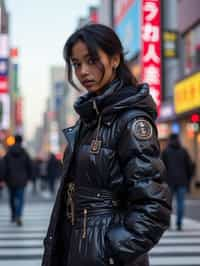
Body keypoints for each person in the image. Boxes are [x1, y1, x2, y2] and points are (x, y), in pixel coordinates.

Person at [42, 24, 171, 266]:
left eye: (92, 60)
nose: (83, 72)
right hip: (78, 244)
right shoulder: (91, 117)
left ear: (114, 60)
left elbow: (154, 205)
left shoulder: (131, 121)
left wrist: (112, 251)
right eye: (77, 64)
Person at [162, 133, 194, 231]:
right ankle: (179, 223)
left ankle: (168, 223)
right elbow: (189, 166)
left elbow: (161, 167)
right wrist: (189, 179)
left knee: (168, 204)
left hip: (169, 181)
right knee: (181, 203)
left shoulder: (166, 151)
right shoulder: (183, 151)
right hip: (182, 181)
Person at [3, 135, 32, 226]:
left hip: (10, 179)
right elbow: (29, 165)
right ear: (21, 141)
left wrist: (2, 178)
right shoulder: (24, 152)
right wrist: (30, 177)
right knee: (20, 198)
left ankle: (13, 215)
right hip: (22, 179)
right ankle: (18, 215)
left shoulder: (8, 152)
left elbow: (3, 166)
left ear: (14, 141)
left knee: (12, 198)